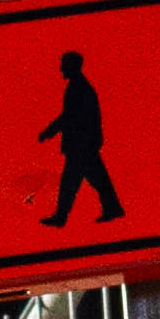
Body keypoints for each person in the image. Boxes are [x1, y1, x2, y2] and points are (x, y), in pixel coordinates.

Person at [39, 50, 124, 227]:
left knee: (70, 182)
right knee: (98, 178)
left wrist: (48, 132)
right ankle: (113, 208)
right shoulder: (80, 86)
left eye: (63, 64)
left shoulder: (77, 88)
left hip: (80, 144)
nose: (61, 68)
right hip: (86, 143)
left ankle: (61, 217)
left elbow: (68, 117)